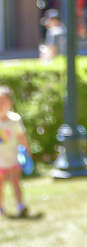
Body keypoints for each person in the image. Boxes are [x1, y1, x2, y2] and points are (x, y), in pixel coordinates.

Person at [0, 85, 30, 218]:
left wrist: (27, 153)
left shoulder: (15, 120)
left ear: (9, 103)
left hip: (13, 158)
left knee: (16, 183)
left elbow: (21, 137)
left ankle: (20, 205)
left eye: (3, 102)